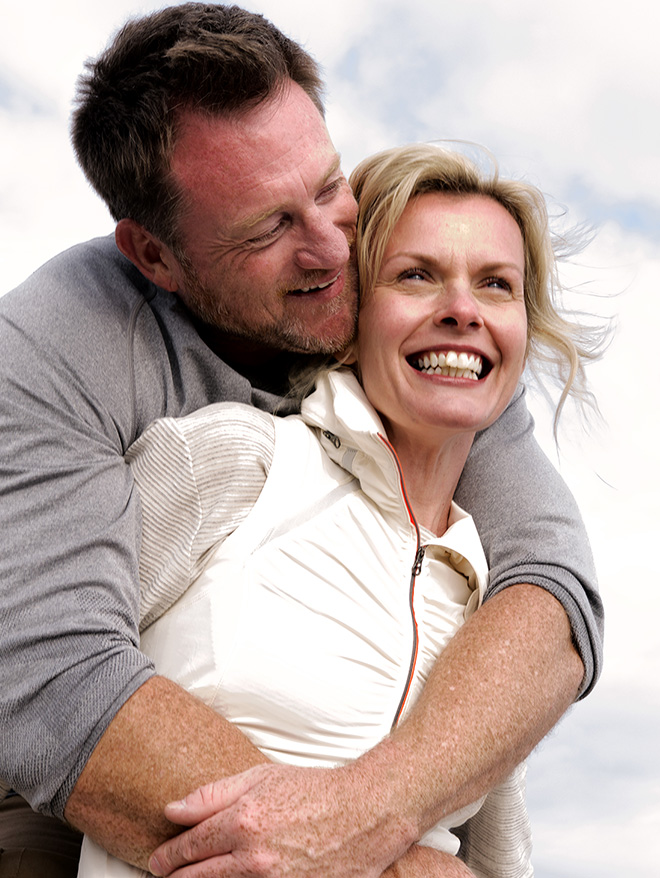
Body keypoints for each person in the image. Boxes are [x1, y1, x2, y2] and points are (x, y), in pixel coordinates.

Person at [0, 5, 602, 877]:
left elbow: (551, 588)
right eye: (269, 228)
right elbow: (52, 683)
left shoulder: (402, 317)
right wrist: (387, 859)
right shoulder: (67, 340)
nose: (333, 250)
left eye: (329, 186)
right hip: (53, 795)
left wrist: (377, 813)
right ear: (155, 256)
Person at [75, 140, 602, 878]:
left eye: (496, 285)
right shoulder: (233, 461)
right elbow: (3, 685)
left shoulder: (493, 597)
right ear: (351, 310)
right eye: (415, 275)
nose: (461, 311)